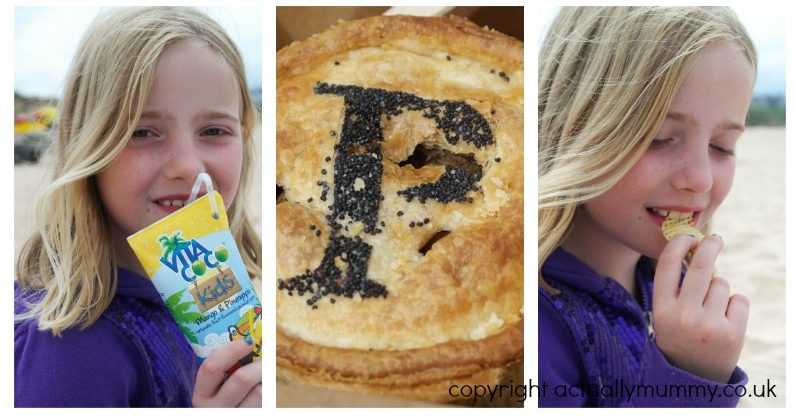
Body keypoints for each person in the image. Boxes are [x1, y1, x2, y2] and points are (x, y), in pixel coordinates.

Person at [14, 7, 262, 407]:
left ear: (244, 136)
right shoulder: (66, 353)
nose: (186, 166)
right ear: (87, 144)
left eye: (214, 131)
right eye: (142, 131)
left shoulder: (209, 288)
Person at [538, 6, 756, 407]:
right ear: (573, 128)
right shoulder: (538, 334)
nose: (701, 179)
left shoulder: (666, 286)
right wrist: (692, 378)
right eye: (658, 137)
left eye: (722, 146)